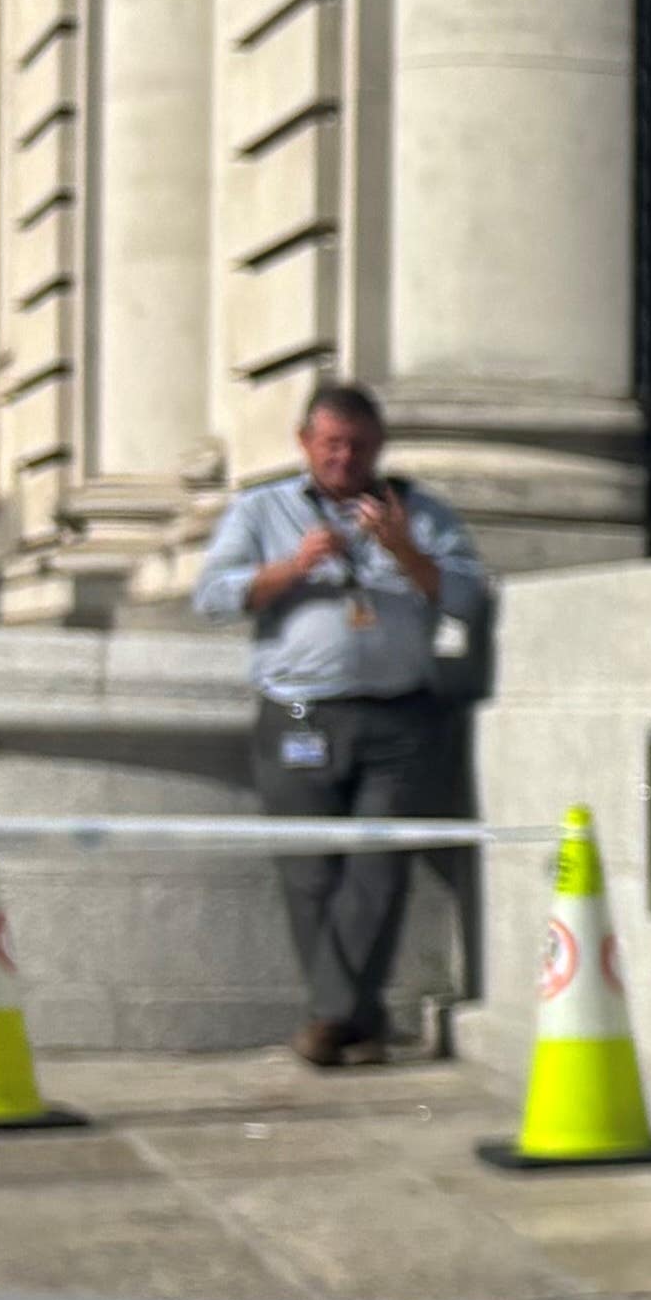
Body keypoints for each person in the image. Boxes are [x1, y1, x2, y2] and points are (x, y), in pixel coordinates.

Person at [192, 383, 496, 1068]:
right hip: (298, 713)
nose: (345, 457)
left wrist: (407, 551)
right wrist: (292, 567)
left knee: (378, 867)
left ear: (378, 446)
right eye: (331, 443)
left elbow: (471, 597)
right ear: (305, 444)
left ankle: (332, 1017)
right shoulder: (262, 508)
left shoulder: (417, 510)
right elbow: (211, 596)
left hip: (398, 716)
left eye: (358, 445)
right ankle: (353, 1020)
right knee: (309, 871)